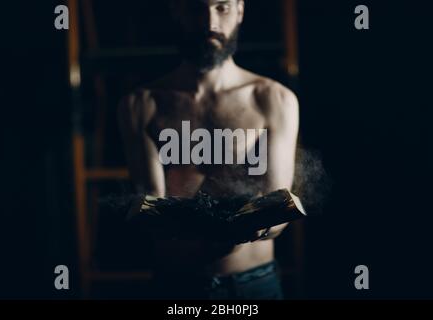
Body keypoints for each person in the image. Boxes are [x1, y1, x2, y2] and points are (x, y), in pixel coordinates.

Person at [118, 0, 299, 300]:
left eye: (222, 7)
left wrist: (250, 224)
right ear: (176, 10)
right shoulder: (141, 105)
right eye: (194, 8)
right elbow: (150, 203)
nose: (210, 22)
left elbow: (276, 208)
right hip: (177, 286)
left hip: (254, 286)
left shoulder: (274, 100)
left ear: (240, 10)